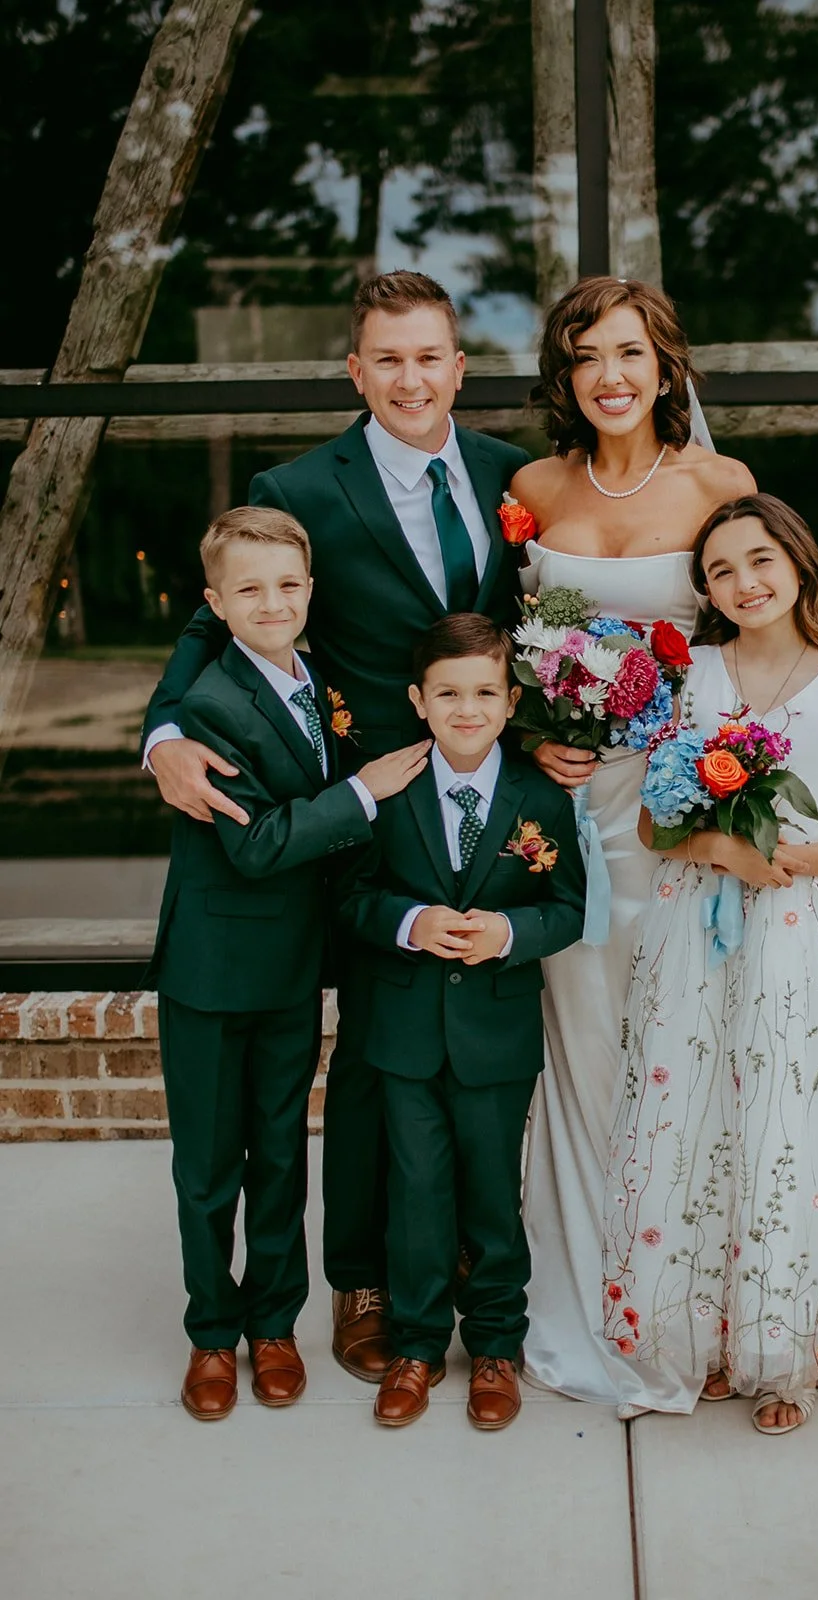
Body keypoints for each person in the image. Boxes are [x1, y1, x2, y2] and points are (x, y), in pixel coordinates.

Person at [509, 276, 818, 1406]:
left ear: (667, 362)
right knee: (590, 1044)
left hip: (703, 798)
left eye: (631, 351)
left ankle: (725, 1302)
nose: (612, 376)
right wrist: (537, 733)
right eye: (588, 355)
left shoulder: (721, 483)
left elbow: (766, 623)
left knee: (703, 1058)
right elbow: (514, 644)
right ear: (566, 373)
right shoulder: (533, 487)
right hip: (585, 802)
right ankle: (599, 1293)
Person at [140, 271, 529, 1384]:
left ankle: (469, 1263)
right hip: (361, 818)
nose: (412, 378)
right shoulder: (299, 483)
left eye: (430, 356)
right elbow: (207, 624)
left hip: (494, 805)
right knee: (371, 1056)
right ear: (356, 372)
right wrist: (164, 735)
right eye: (387, 358)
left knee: (480, 1040)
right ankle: (361, 1277)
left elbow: (546, 627)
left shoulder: (516, 479)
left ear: (459, 366)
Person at [603, 493, 818, 1433]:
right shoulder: (688, 678)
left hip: (806, 930)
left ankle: (788, 1358)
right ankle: (710, 1334)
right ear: (705, 588)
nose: (746, 582)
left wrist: (782, 863)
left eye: (761, 559)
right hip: (697, 928)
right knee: (696, 1122)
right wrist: (718, 851)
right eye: (722, 569)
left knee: (787, 1127)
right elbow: (654, 821)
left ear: (799, 562)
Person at [146, 507, 429, 1420]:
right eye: (250, 589)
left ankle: (274, 1323)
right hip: (212, 966)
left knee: (277, 1151)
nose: (272, 603)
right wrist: (365, 790)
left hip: (290, 968)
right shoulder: (210, 706)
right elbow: (260, 845)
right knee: (208, 1165)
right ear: (215, 604)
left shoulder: (321, 682)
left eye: (286, 585)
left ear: (309, 591)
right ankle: (209, 1334)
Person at [340, 615, 586, 1430]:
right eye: (448, 693)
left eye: (484, 692)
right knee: (414, 1192)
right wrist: (409, 923)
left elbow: (568, 908)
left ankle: (493, 1346)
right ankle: (414, 1344)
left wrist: (507, 933)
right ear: (418, 700)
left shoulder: (538, 797)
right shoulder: (389, 788)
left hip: (496, 1034)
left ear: (511, 700)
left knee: (489, 1194)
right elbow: (351, 896)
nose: (467, 708)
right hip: (403, 1033)